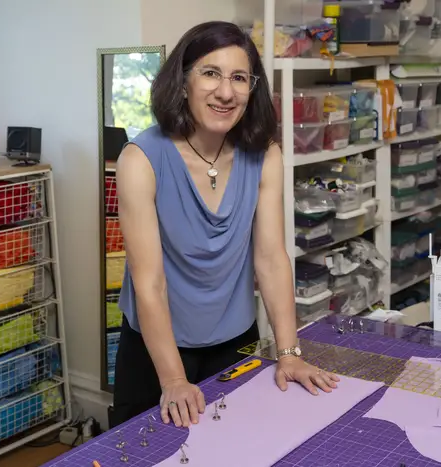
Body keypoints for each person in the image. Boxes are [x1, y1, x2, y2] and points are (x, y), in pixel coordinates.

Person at [110, 21, 340, 429]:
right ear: (183, 82)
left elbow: (270, 259)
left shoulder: (264, 154)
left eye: (239, 78)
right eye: (210, 73)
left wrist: (289, 353)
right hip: (156, 352)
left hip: (235, 342)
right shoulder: (140, 159)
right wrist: (175, 379)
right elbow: (150, 283)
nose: (225, 91)